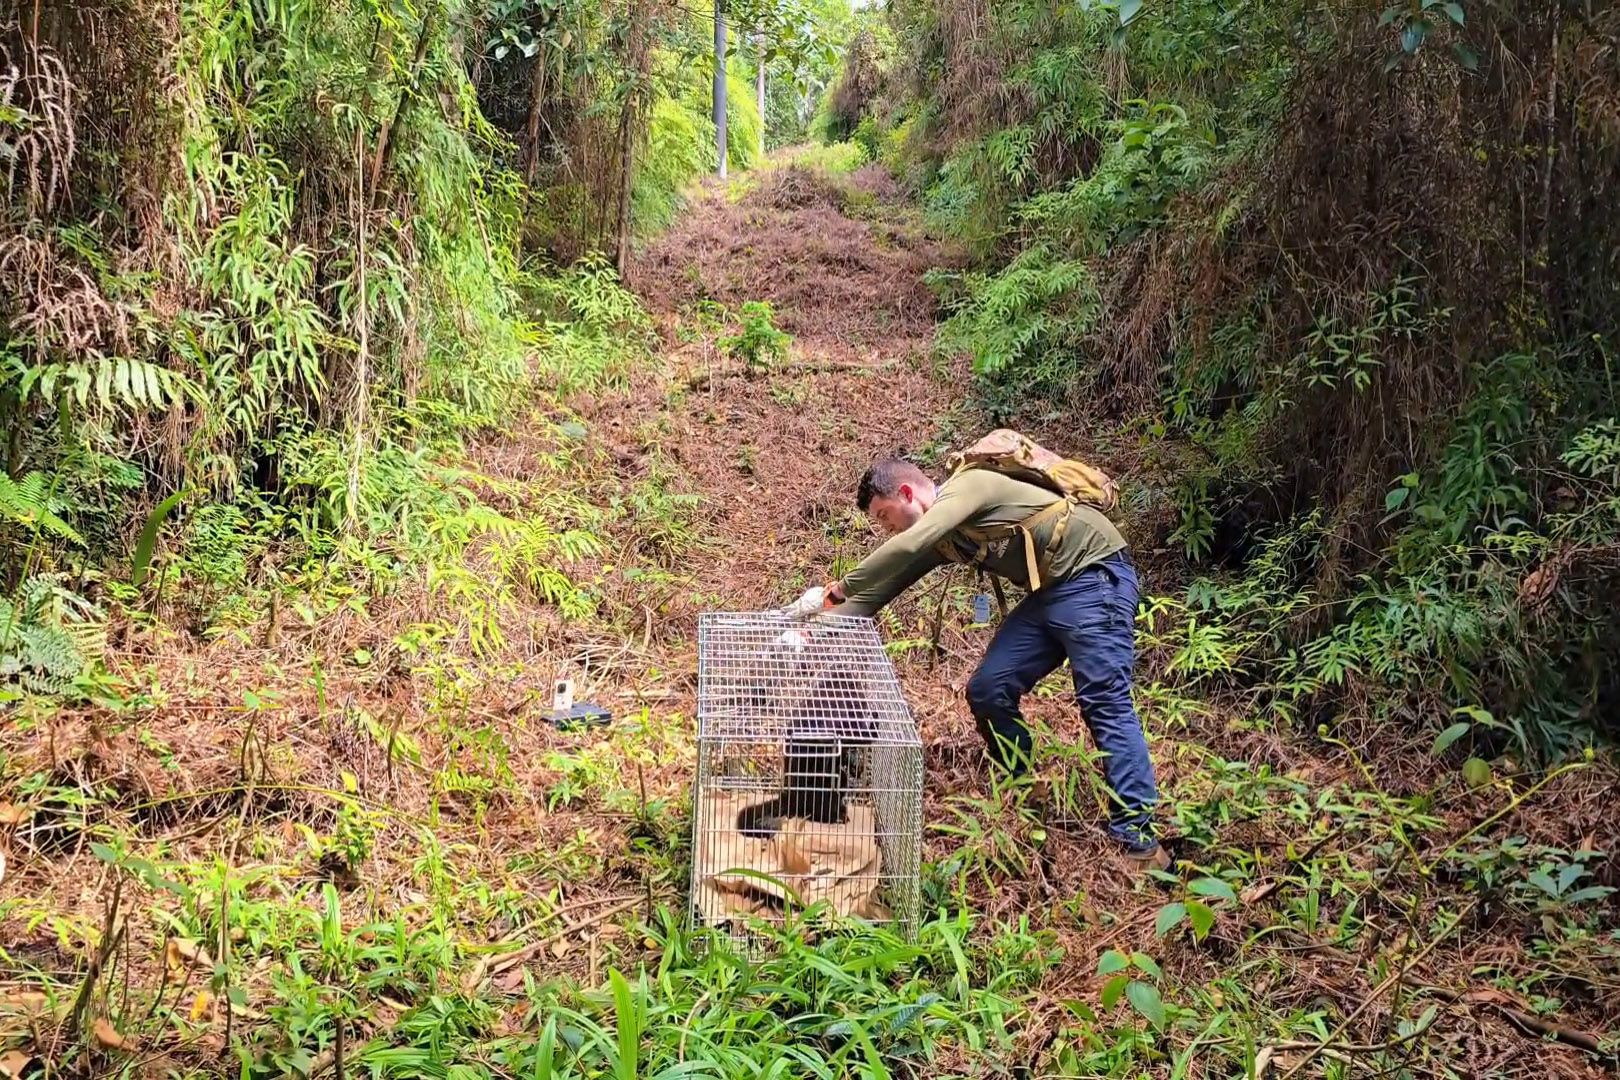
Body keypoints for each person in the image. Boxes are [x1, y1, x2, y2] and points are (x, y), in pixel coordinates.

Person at [823, 455, 1168, 871]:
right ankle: (1025, 783)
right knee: (989, 689)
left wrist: (842, 586)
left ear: (907, 494)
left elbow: (907, 546)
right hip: (1048, 593)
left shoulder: (970, 487)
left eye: (884, 515)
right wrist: (813, 618)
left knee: (1103, 701)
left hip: (1094, 576)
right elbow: (887, 585)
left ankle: (1140, 842)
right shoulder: (946, 536)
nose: (886, 527)